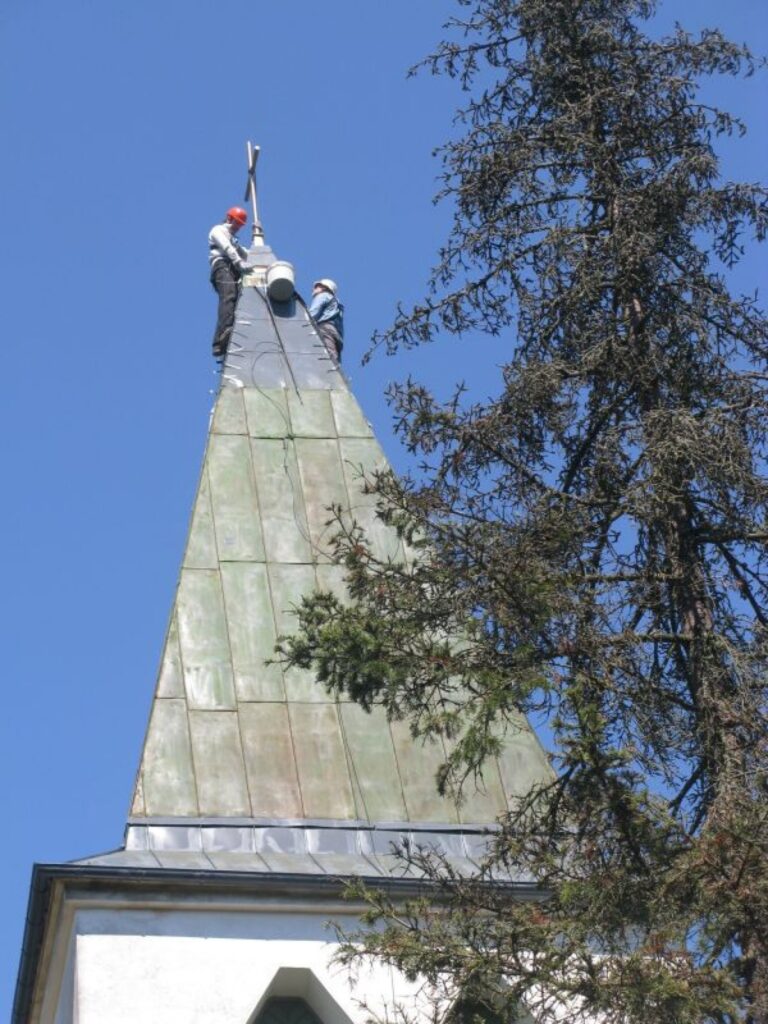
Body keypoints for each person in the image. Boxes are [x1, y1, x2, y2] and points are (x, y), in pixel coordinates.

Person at [209, 207, 250, 361]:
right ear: (229, 218)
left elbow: (243, 252)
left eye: (240, 225)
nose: (237, 226)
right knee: (229, 295)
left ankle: (223, 339)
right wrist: (238, 261)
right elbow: (227, 247)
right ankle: (224, 332)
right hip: (222, 266)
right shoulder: (218, 230)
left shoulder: (233, 239)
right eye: (236, 223)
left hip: (232, 268)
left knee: (236, 300)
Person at [309, 279, 344, 363]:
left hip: (325, 328)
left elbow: (313, 313)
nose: (314, 289)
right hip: (335, 334)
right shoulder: (336, 303)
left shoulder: (323, 296)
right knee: (334, 362)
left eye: (317, 286)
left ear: (324, 288)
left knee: (327, 358)